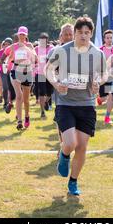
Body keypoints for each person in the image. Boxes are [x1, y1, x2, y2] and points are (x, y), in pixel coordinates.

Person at [46, 16, 107, 196]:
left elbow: (104, 74)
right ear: (74, 33)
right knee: (70, 142)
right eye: (79, 32)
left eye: (87, 33)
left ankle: (73, 182)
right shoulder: (62, 50)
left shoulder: (97, 53)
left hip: (87, 104)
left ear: (91, 34)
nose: (83, 36)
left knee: (82, 146)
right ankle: (64, 155)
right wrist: (57, 84)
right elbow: (48, 70)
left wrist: (98, 82)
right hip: (66, 103)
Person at [4, 26, 37, 130]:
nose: (21, 36)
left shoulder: (30, 45)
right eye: (20, 34)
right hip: (15, 71)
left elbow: (35, 59)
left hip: (27, 72)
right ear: (17, 35)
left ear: (26, 36)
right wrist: (3, 62)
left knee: (26, 100)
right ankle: (19, 121)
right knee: (19, 96)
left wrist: (28, 52)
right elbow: (4, 55)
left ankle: (27, 116)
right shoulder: (13, 47)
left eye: (23, 34)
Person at [98, 29, 113, 125]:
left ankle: (107, 117)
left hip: (111, 76)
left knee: (111, 95)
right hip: (102, 76)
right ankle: (100, 98)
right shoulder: (100, 50)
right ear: (104, 39)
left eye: (111, 37)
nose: (109, 39)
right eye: (107, 38)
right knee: (103, 98)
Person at [35, 33, 54, 119]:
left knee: (50, 93)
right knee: (42, 92)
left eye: (44, 40)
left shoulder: (52, 48)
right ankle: (42, 111)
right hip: (40, 73)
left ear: (47, 40)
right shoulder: (36, 49)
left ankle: (46, 102)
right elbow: (33, 59)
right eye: (41, 40)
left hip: (50, 73)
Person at [0, 38, 15, 113]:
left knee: (12, 88)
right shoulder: (1, 52)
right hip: (3, 71)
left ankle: (11, 101)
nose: (6, 45)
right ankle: (5, 102)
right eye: (5, 44)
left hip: (13, 70)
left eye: (8, 44)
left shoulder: (14, 51)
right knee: (5, 87)